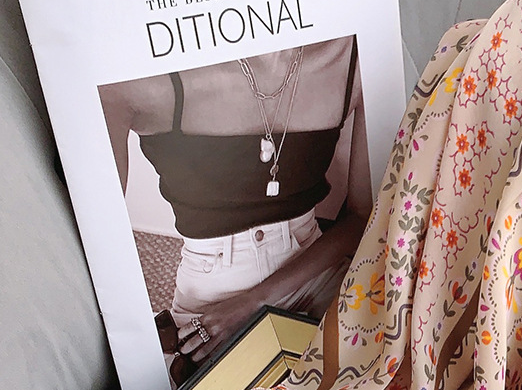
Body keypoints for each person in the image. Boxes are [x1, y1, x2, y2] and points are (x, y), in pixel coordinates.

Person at [100, 36, 370, 371]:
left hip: (317, 276)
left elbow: (361, 217)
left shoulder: (353, 55)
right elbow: (97, 245)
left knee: (382, 377)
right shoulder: (136, 77)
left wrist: (256, 301)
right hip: (211, 302)